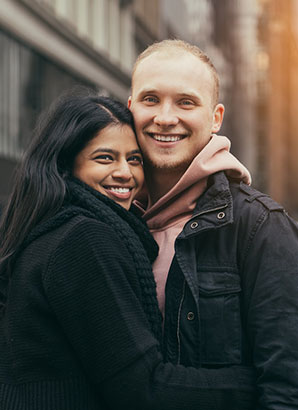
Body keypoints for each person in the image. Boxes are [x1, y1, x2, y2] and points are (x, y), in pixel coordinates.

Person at [0, 91, 256, 409]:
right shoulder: (83, 239)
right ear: (66, 165)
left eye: (134, 159)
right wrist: (257, 381)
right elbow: (143, 389)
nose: (125, 173)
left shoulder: (49, 229)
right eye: (105, 158)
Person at [128, 39, 298, 409]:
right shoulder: (109, 220)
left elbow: (286, 385)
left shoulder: (260, 227)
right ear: (130, 107)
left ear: (216, 117)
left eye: (185, 102)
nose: (165, 117)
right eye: (150, 99)